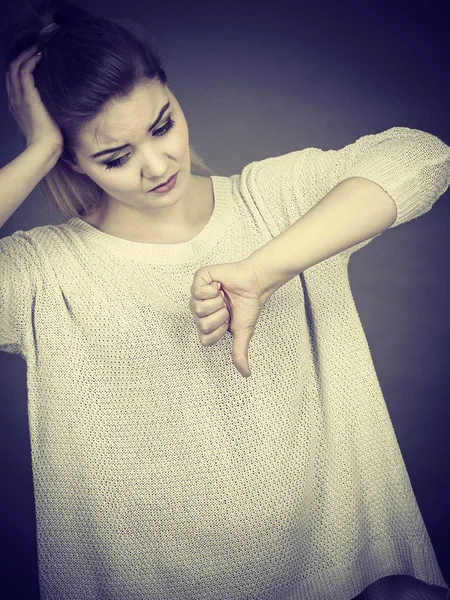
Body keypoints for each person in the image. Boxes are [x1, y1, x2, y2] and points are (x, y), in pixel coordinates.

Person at [1, 2, 449, 600]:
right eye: (116, 156)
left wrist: (265, 269)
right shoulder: (44, 272)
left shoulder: (272, 200)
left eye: (162, 125)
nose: (157, 165)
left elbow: (421, 157)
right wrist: (36, 151)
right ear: (72, 161)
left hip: (340, 575)